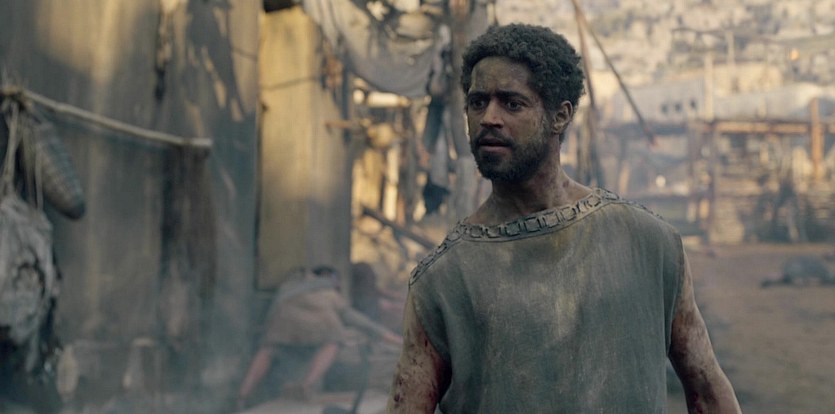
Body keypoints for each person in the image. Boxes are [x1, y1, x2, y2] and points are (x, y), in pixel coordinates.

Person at [387, 24, 741, 413]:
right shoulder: (443, 280)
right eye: (477, 102)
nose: (488, 117)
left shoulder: (649, 244)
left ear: (560, 116)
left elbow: (708, 391)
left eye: (512, 103)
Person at [237, 265, 402, 408]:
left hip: (282, 319)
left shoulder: (289, 285)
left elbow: (274, 309)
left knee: (269, 349)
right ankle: (306, 385)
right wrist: (397, 341)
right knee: (333, 343)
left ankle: (242, 394)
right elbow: (364, 324)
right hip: (320, 325)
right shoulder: (330, 293)